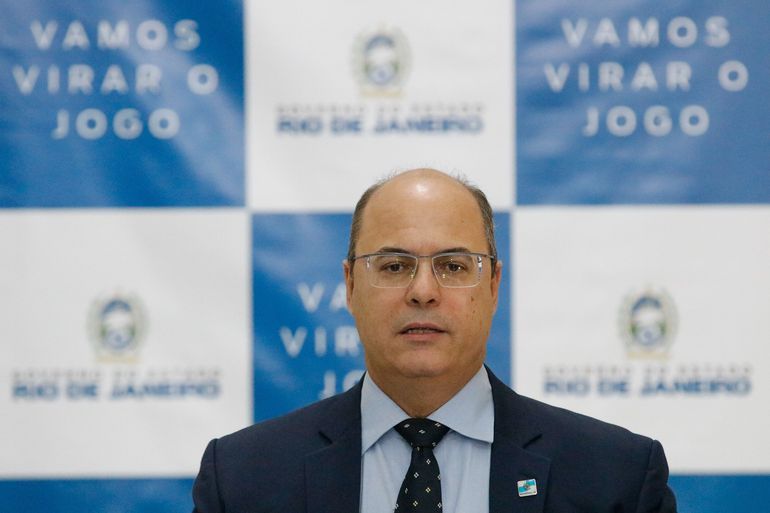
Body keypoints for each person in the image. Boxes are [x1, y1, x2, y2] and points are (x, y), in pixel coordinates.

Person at [192, 168, 677, 513]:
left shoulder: (616, 477)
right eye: (394, 266)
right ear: (350, 285)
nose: (423, 291)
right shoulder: (242, 479)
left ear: (493, 286)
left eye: (453, 266)